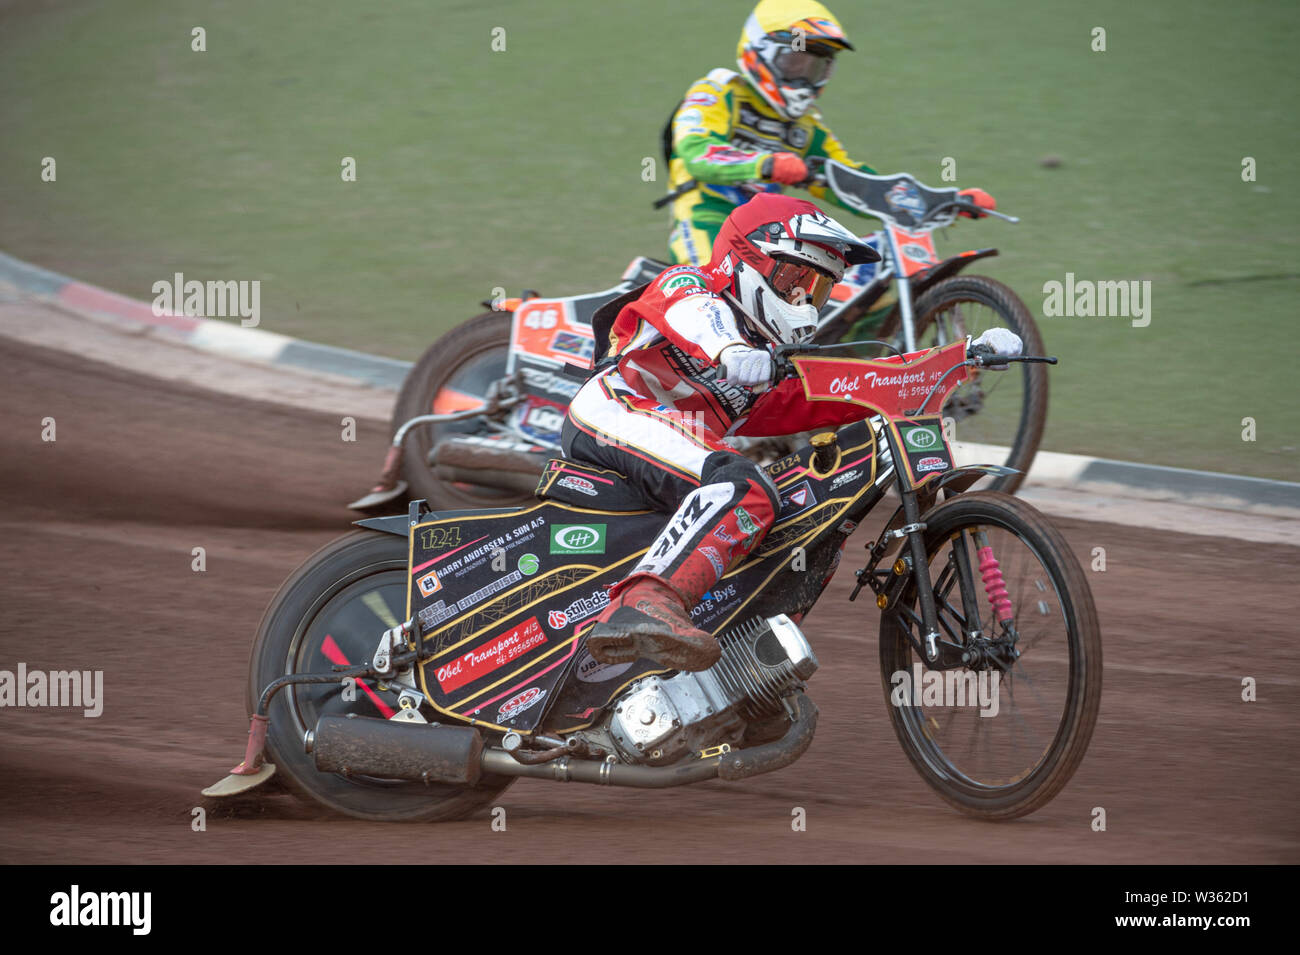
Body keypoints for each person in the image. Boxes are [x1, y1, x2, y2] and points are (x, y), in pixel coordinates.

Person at [565, 193, 1020, 671]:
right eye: (796, 278)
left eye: (818, 288)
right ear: (749, 258)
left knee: (802, 516)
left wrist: (959, 357)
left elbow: (848, 389)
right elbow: (694, 313)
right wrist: (730, 350)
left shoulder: (763, 368)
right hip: (611, 412)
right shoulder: (692, 287)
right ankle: (642, 604)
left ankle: (741, 675)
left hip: (676, 449)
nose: (804, 299)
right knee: (743, 486)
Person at [663, 0, 995, 267]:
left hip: (772, 226)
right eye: (795, 63)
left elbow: (855, 183)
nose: (804, 79)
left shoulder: (807, 128)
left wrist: (941, 202)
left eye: (816, 67)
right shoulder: (718, 91)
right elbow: (697, 153)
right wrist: (768, 164)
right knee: (721, 291)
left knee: (841, 284)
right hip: (709, 216)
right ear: (759, 52)